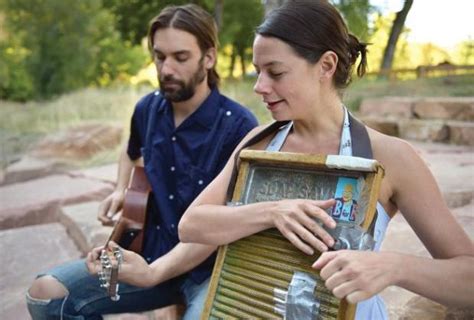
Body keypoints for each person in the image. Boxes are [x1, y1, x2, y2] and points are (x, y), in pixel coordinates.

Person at [178, 1, 474, 318]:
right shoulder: (259, 142)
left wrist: (394, 266)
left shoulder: (389, 156)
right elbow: (192, 225)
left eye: (275, 72)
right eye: (258, 72)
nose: (260, 86)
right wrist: (272, 212)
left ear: (326, 65)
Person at [26, 4, 258, 319]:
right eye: (159, 56)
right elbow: (130, 148)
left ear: (209, 57)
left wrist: (156, 272)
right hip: (147, 255)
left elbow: (224, 225)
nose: (166, 69)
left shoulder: (240, 127)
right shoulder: (147, 108)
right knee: (47, 297)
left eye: (180, 57)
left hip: (209, 269)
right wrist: (123, 190)